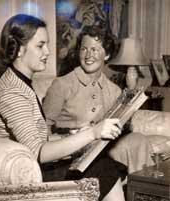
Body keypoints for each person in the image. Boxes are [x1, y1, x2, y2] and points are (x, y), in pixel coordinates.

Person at [0, 14, 169, 201]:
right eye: (40, 45)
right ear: (19, 47)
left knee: (106, 166)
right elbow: (38, 153)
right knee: (105, 167)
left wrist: (76, 135)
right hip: (21, 180)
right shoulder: (13, 92)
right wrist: (91, 133)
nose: (48, 52)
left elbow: (39, 136)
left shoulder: (21, 83)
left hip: (33, 166)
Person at [43, 25, 153, 174]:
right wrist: (69, 137)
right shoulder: (62, 84)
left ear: (106, 55)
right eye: (84, 49)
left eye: (95, 49)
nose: (88, 55)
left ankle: (142, 190)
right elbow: (43, 131)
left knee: (138, 139)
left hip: (101, 148)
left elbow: (122, 126)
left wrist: (130, 96)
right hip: (71, 151)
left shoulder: (114, 90)